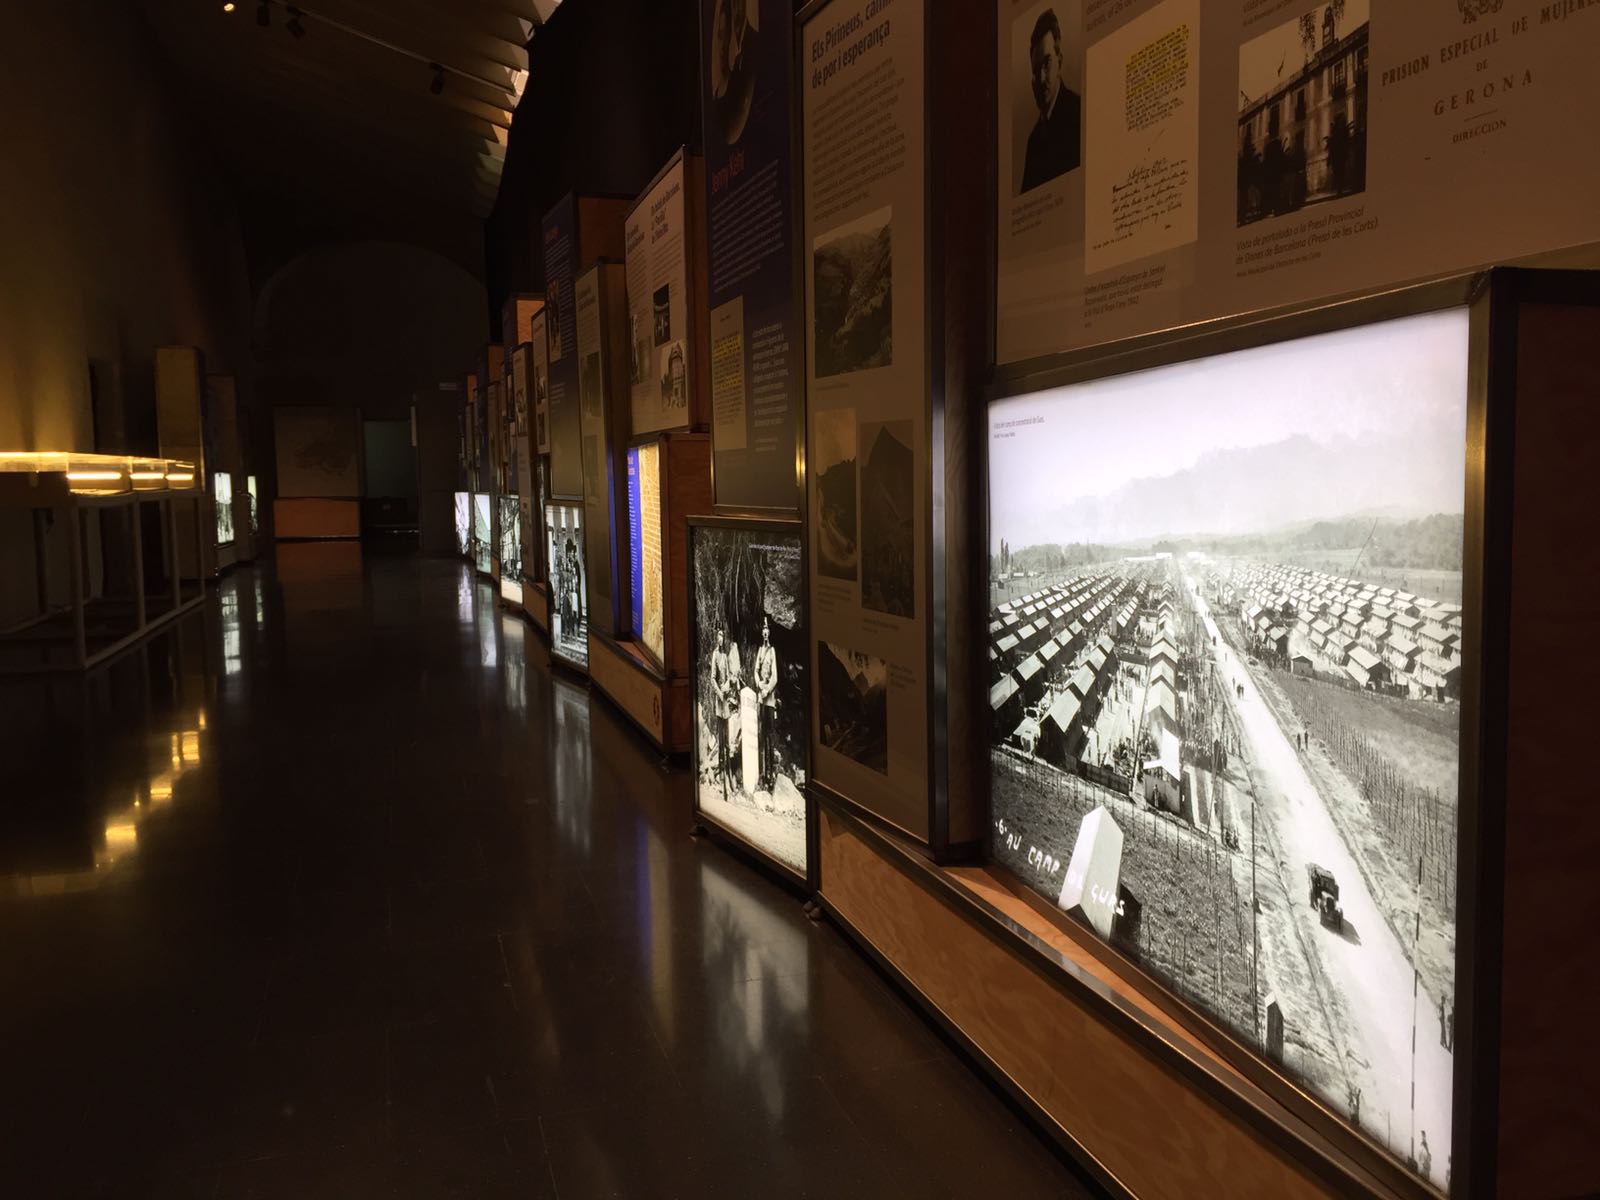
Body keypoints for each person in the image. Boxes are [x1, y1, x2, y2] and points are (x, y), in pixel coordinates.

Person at [1020, 9, 1081, 193]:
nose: (1041, 78)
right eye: (1036, 69)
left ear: (1059, 62)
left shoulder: (1078, 113)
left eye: (1047, 63)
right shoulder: (1033, 141)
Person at [753, 618, 779, 792]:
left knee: (769, 735)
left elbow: (775, 677)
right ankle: (762, 774)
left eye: (767, 630)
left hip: (769, 700)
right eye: (763, 630)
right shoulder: (760, 651)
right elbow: (756, 671)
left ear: (769, 632)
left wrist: (767, 689)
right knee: (761, 734)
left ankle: (770, 774)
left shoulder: (772, 651)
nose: (765, 632)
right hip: (761, 698)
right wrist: (759, 685)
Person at [711, 628, 735, 797]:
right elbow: (712, 678)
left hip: (725, 701)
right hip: (719, 702)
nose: (721, 639)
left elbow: (729, 677)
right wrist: (720, 692)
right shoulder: (715, 655)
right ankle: (721, 775)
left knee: (727, 741)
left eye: (722, 636)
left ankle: (728, 772)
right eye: (719, 636)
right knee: (720, 739)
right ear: (716, 638)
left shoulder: (725, 656)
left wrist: (727, 685)